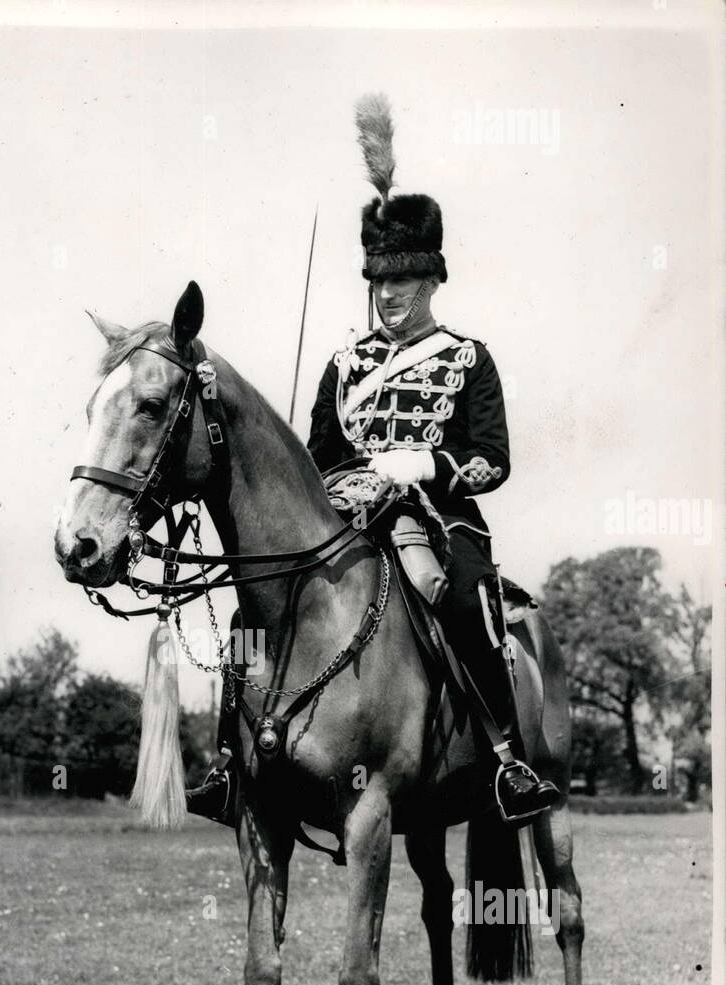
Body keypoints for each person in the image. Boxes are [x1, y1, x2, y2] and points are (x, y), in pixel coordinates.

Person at [188, 93, 559, 826]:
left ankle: (506, 757)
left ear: (430, 283)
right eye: (379, 283)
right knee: (253, 614)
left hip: (434, 520)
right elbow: (317, 453)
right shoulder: (344, 363)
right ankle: (229, 765)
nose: (388, 296)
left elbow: (491, 457)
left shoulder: (466, 358)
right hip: (346, 520)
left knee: (461, 602)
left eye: (403, 282)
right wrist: (346, 485)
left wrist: (419, 466)